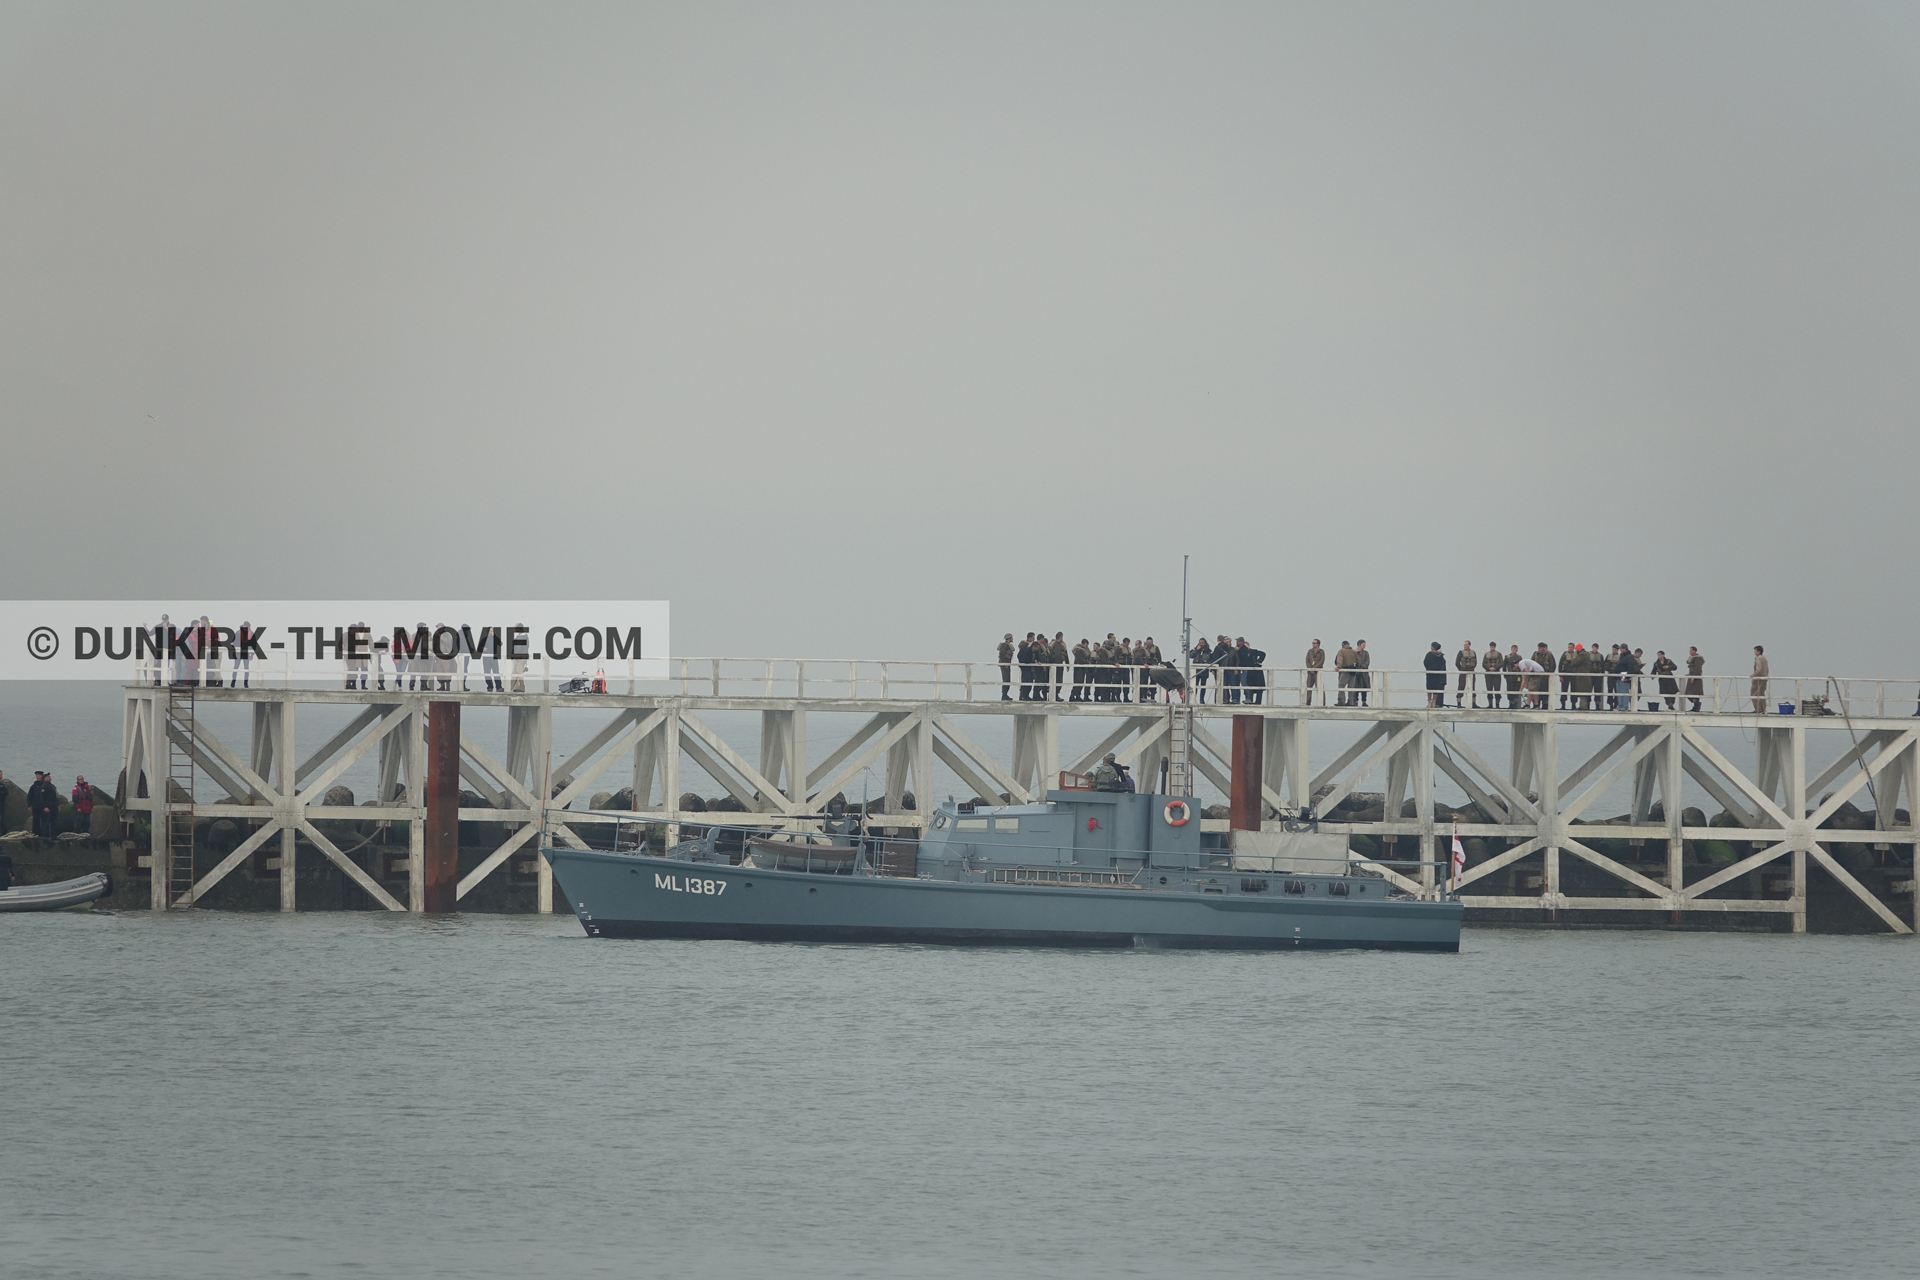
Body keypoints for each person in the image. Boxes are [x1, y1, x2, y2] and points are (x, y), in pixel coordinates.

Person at [28, 771, 59, 839]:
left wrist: (57, 804)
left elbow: (55, 796)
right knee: (36, 820)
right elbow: (30, 796)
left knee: (47, 820)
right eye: (37, 775)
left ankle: (48, 835)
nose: (38, 777)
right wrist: (29, 805)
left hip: (46, 806)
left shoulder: (50, 786)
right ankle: (36, 834)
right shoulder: (34, 786)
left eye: (39, 775)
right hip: (37, 806)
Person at [1189, 637, 1214, 703]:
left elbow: (1210, 660)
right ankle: (1193, 699)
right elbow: (1190, 655)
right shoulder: (1196, 651)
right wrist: (1196, 650)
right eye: (1200, 643)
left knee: (1203, 686)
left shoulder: (1208, 652)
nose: (1201, 644)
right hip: (1196, 671)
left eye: (1202, 643)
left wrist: (1211, 669)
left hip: (1204, 671)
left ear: (1205, 643)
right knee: (1195, 685)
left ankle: (1202, 699)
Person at [1333, 641, 1357, 706]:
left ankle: (1342, 701)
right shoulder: (1353, 651)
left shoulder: (1341, 651)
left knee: (1341, 685)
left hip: (1346, 670)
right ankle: (1351, 702)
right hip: (1353, 671)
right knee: (1351, 687)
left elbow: (1340, 659)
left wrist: (1338, 666)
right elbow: (1358, 661)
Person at [1454, 641, 1477, 707]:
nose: (1465, 646)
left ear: (1469, 645)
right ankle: (1459, 702)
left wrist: (1472, 668)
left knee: (1472, 686)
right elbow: (1457, 662)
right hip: (1463, 671)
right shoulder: (1461, 653)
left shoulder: (1473, 653)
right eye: (1464, 645)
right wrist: (1461, 669)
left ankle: (1473, 702)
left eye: (1466, 645)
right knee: (1461, 686)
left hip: (1471, 671)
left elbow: (1475, 662)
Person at [1424, 642, 1447, 707]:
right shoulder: (1441, 656)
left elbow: (1425, 662)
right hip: (1438, 675)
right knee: (1436, 688)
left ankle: (1429, 702)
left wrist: (1428, 668)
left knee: (1429, 688)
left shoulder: (1429, 654)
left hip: (1430, 674)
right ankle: (1433, 702)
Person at [1049, 632, 1069, 703]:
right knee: (1055, 680)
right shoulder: (1055, 644)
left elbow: (1066, 654)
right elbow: (1055, 654)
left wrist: (1067, 663)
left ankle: (1056, 694)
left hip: (1059, 664)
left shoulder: (1062, 644)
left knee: (1058, 680)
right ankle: (1054, 695)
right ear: (1060, 637)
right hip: (1055, 665)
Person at [1483, 642, 1504, 709]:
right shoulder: (1486, 654)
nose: (1492, 648)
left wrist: (1495, 668)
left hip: (1496, 673)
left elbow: (1501, 663)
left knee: (1497, 688)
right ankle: (1490, 704)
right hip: (1488, 674)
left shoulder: (1499, 654)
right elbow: (1483, 664)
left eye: (1493, 647)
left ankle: (1497, 704)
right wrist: (1489, 668)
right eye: (1491, 646)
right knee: (1489, 688)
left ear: (1495, 647)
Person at [1305, 639, 1326, 706]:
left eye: (1314, 643)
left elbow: (1321, 661)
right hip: (1310, 672)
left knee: (1320, 687)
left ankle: (1322, 702)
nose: (1313, 644)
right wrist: (1310, 669)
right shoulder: (1309, 651)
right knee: (1308, 687)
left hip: (1318, 672)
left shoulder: (1321, 652)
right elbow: (1307, 660)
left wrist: (1315, 668)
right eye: (1312, 643)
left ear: (1318, 644)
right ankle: (1308, 702)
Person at [1016, 633, 1036, 701]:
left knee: (1029, 680)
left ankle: (1025, 695)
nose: (1034, 639)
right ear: (1029, 638)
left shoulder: (1028, 646)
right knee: (1026, 680)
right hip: (1025, 666)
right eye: (1033, 637)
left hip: (1029, 666)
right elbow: (1020, 656)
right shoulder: (1025, 646)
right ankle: (1023, 695)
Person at [1685, 647, 1705, 712]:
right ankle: (1696, 705)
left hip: (1696, 679)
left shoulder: (1698, 658)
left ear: (1694, 651)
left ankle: (1697, 705)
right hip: (1692, 677)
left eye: (1691, 650)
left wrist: (1693, 676)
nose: (1689, 651)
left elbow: (1697, 668)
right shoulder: (1692, 658)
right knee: (1691, 693)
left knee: (1693, 692)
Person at [1751, 646, 1770, 713]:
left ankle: (1758, 709)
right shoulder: (1764, 658)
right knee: (1762, 694)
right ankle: (1763, 709)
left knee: (1754, 694)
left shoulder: (1758, 658)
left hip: (1758, 679)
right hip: (1764, 678)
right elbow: (1767, 669)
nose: (1754, 652)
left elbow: (1758, 669)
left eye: (1755, 650)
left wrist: (1753, 675)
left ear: (1758, 651)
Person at [996, 634, 1015, 701]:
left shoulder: (1007, 645)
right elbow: (1002, 654)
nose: (1012, 639)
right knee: (1006, 680)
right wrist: (1004, 663)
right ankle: (1004, 695)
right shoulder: (1005, 645)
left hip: (1007, 665)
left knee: (1007, 680)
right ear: (1009, 638)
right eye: (1011, 638)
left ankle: (1005, 695)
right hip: (1005, 666)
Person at [1353, 640, 1371, 706]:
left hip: (1364, 673)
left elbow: (1367, 662)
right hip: (1356, 673)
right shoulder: (1354, 652)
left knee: (1364, 687)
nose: (1365, 646)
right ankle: (1355, 701)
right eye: (1363, 644)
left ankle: (1364, 701)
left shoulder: (1366, 653)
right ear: (1359, 644)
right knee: (1355, 687)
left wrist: (1362, 666)